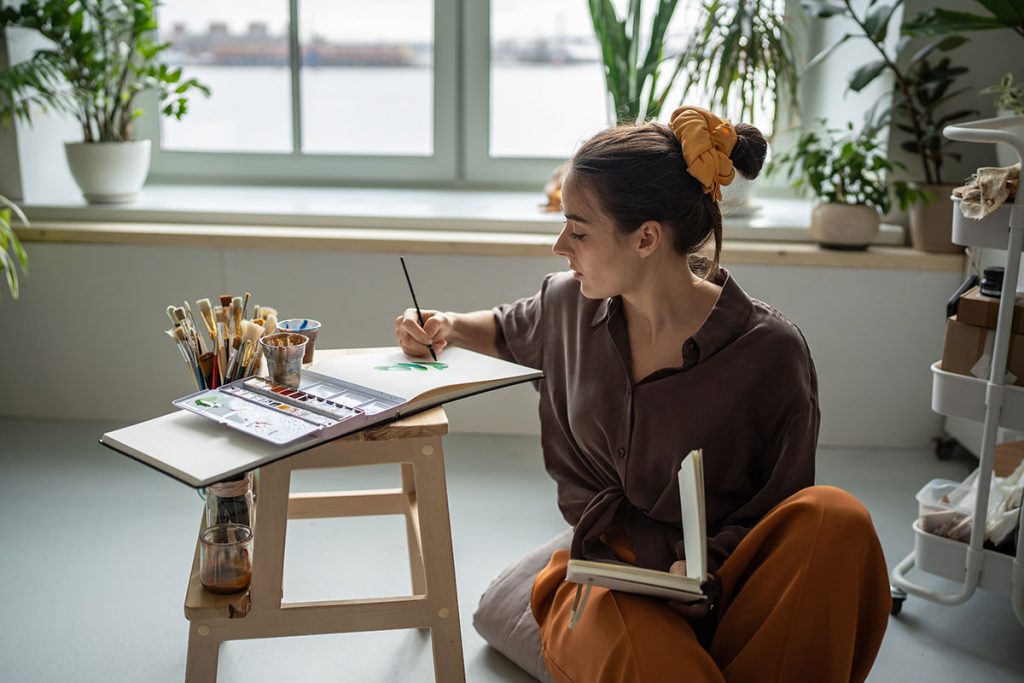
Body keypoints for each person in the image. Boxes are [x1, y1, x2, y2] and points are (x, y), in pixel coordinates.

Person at [395, 106, 891, 682]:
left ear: (647, 238)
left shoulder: (770, 352)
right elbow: (505, 327)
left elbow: (781, 505)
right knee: (645, 655)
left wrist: (710, 572)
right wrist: (442, 325)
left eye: (578, 230)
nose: (560, 246)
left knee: (838, 517)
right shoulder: (566, 306)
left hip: (724, 586)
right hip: (604, 578)